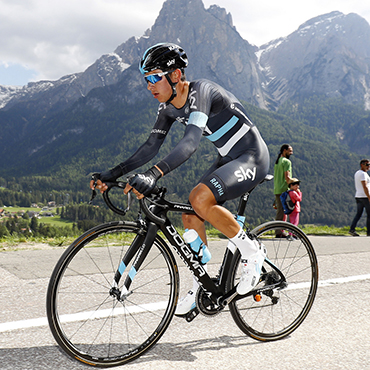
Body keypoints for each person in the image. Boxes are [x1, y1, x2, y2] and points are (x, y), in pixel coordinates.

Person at [90, 43, 270, 316]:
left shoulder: (202, 92)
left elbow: (190, 143)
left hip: (252, 156)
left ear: (175, 75)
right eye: (145, 79)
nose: (149, 85)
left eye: (154, 77)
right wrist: (112, 173)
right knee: (190, 214)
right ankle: (206, 285)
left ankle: (253, 252)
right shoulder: (167, 108)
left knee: (200, 197)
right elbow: (151, 147)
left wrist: (153, 174)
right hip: (228, 157)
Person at [273, 144, 293, 237]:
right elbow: (287, 177)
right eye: (290, 151)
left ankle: (280, 230)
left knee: (280, 211)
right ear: (284, 150)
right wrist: (294, 185)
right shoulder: (286, 162)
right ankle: (279, 232)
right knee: (283, 211)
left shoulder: (278, 162)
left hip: (277, 188)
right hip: (284, 189)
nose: (291, 153)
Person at [349, 159, 370, 236]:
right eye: (367, 165)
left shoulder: (357, 173)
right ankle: (369, 232)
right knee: (369, 215)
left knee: (358, 214)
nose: (369, 166)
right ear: (362, 165)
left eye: (369, 165)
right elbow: (365, 186)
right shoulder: (363, 174)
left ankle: (352, 229)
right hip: (365, 197)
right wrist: (369, 197)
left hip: (358, 196)